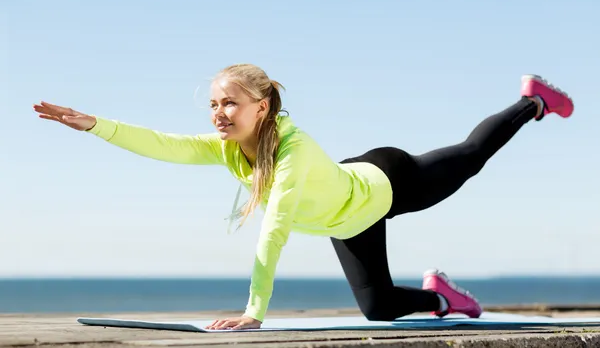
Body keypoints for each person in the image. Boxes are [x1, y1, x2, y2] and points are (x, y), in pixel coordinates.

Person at [33, 64, 574, 330]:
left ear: (262, 107)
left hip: (386, 182)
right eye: (214, 104)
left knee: (469, 156)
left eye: (231, 103)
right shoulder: (226, 149)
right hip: (347, 217)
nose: (219, 113)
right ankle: (442, 298)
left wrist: (254, 311)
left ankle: (532, 102)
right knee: (378, 309)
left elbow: (276, 227)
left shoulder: (292, 152)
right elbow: (163, 145)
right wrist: (94, 125)